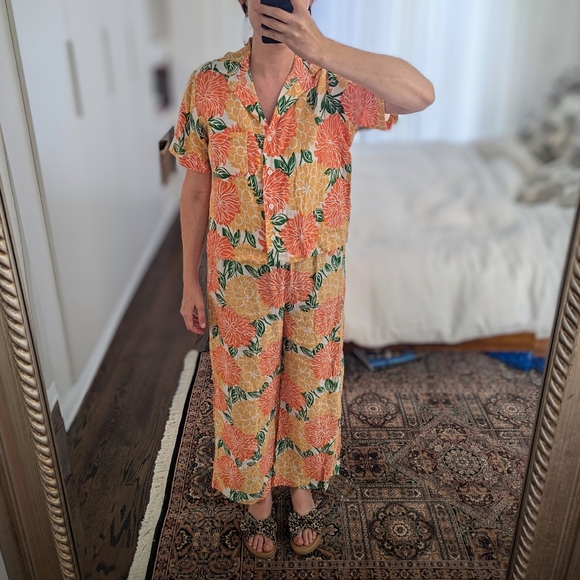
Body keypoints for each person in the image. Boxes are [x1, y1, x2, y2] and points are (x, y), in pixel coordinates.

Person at [170, 0, 434, 560]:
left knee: (311, 388)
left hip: (317, 275)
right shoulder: (208, 86)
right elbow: (195, 189)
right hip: (238, 278)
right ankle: (258, 497)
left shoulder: (336, 81)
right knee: (244, 393)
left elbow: (420, 94)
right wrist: (189, 281)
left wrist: (323, 48)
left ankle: (301, 487)